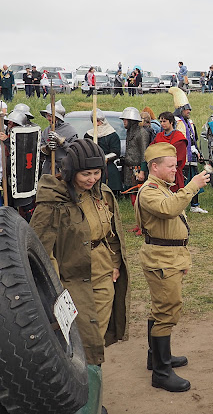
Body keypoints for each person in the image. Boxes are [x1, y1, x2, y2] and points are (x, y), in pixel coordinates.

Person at [31, 139, 129, 412]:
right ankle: (82, 406)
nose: (92, 178)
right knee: (81, 346)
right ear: (71, 170)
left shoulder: (102, 194)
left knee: (95, 343)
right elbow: (39, 249)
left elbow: (112, 232)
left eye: (97, 172)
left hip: (103, 275)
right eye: (86, 173)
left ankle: (92, 402)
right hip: (71, 284)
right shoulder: (53, 202)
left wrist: (115, 262)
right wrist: (55, 290)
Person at [135, 142, 210, 393]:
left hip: (170, 257)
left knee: (160, 308)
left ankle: (155, 358)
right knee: (167, 310)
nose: (174, 169)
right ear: (154, 167)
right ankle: (162, 372)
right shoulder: (149, 191)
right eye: (170, 166)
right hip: (162, 259)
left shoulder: (162, 187)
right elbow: (170, 210)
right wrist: (192, 186)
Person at [171, 87, 206, 214]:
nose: (189, 111)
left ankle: (195, 205)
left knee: (194, 180)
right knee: (182, 182)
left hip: (192, 156)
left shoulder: (190, 122)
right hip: (181, 157)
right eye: (186, 109)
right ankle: (181, 205)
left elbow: (194, 138)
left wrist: (197, 152)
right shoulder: (175, 122)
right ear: (181, 109)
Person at [0, 109, 39, 220]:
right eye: (9, 123)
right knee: (10, 209)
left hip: (23, 181)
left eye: (13, 123)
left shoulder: (26, 138)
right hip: (9, 180)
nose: (10, 125)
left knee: (26, 208)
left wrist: (8, 141)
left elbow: (21, 152)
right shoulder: (7, 134)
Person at [85, 109, 123, 195]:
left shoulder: (112, 134)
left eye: (98, 121)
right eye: (95, 121)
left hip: (107, 165)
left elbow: (116, 152)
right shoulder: (88, 135)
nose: (97, 124)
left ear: (102, 121)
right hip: (92, 165)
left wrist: (103, 158)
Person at [40, 100, 79, 175]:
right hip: (48, 168)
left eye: (50, 116)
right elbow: (41, 149)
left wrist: (60, 141)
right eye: (47, 115)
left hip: (63, 168)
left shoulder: (70, 131)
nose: (48, 118)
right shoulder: (46, 131)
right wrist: (47, 148)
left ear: (58, 117)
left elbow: (74, 151)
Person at [153, 112, 188, 192]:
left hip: (173, 173)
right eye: (161, 121)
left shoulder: (179, 138)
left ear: (171, 122)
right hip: (159, 174)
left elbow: (179, 159)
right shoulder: (158, 136)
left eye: (164, 121)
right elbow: (152, 151)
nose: (162, 124)